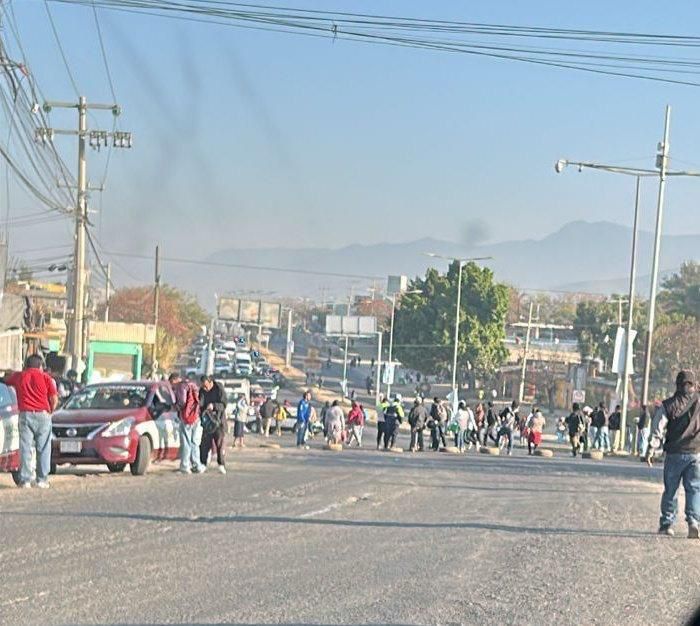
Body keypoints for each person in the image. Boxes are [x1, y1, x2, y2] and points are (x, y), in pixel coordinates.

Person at [645, 370, 700, 538]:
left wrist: (651, 448)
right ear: (694, 384)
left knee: (671, 489)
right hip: (695, 453)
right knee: (694, 489)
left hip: (674, 453)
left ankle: (667, 524)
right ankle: (693, 521)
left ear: (677, 384)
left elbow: (658, 427)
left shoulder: (668, 404)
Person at [5, 354, 58, 488]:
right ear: (40, 366)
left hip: (25, 414)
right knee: (43, 448)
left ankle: (25, 480)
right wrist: (51, 411)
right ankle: (42, 480)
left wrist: (10, 372)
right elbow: (54, 398)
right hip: (43, 414)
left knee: (25, 448)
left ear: (26, 365)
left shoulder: (19, 376)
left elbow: (6, 379)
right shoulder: (46, 378)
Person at [170, 373, 205, 474]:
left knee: (186, 442)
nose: (172, 386)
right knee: (194, 442)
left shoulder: (181, 386)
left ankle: (185, 466)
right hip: (195, 416)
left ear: (174, 380)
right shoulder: (192, 384)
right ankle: (197, 465)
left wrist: (174, 407)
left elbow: (182, 402)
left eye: (171, 383)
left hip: (186, 417)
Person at [198, 375, 227, 474]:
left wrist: (214, 406)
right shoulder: (202, 391)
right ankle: (203, 463)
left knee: (219, 444)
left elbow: (224, 405)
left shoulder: (219, 389)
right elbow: (201, 404)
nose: (205, 388)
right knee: (204, 444)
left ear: (211, 382)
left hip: (218, 421)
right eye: (203, 386)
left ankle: (221, 464)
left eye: (206, 386)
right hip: (207, 422)